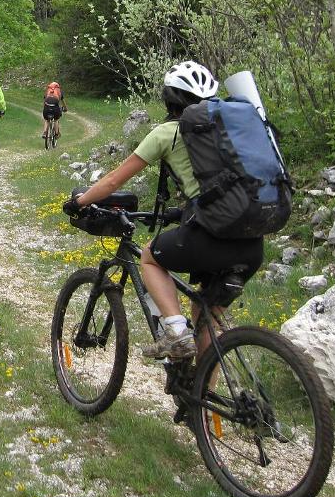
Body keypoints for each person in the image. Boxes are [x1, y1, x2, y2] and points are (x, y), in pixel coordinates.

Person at [62, 61, 264, 360]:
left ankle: (176, 333)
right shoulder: (232, 129)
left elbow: (113, 180)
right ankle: (202, 404)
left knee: (150, 257)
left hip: (212, 234)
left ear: (169, 99)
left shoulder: (168, 132)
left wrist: (78, 202)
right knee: (205, 314)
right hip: (252, 239)